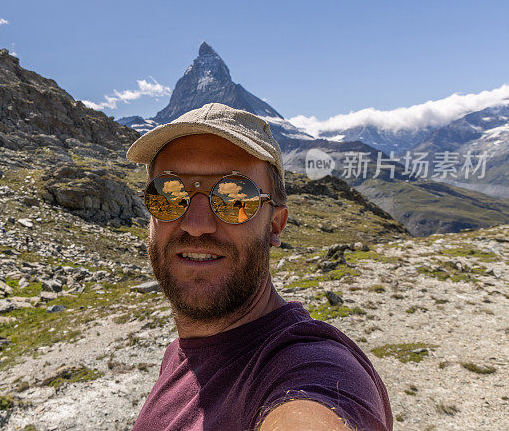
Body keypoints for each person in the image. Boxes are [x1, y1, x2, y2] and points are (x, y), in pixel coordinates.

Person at [126, 103, 392, 431]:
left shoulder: (312, 365)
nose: (196, 225)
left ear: (275, 225)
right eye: (167, 195)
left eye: (236, 199)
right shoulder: (178, 354)